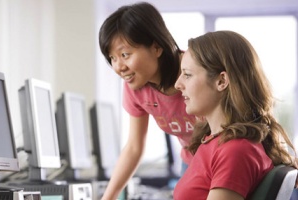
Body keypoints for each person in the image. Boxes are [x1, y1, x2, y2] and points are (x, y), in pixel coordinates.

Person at [173, 30, 297, 200]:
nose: (177, 84)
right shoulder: (217, 142)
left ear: (222, 81)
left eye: (187, 75)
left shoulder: (234, 150)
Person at [98, 2, 196, 199]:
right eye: (113, 58)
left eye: (125, 55)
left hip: (223, 157)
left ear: (156, 47)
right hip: (192, 160)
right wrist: (108, 197)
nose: (119, 67)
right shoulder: (136, 87)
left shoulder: (194, 72)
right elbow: (134, 147)